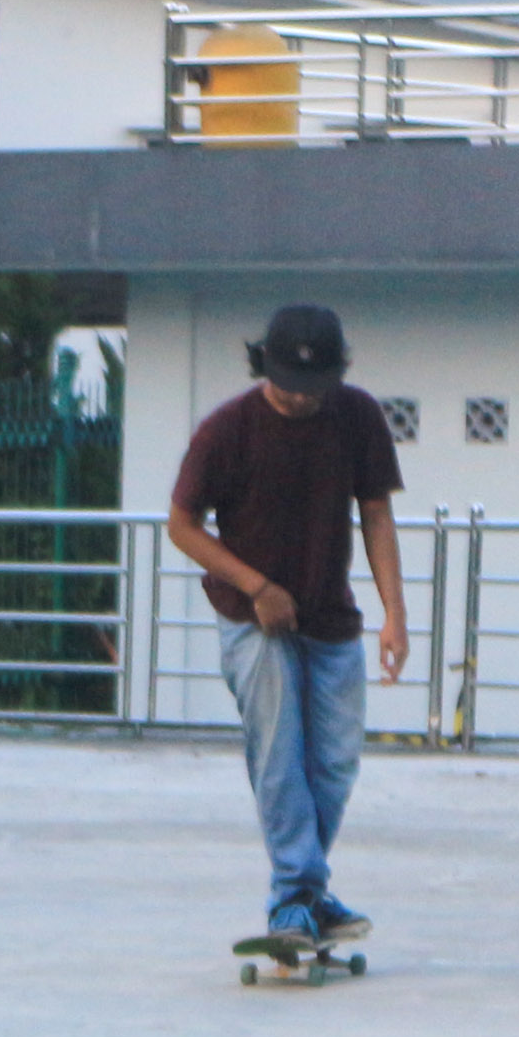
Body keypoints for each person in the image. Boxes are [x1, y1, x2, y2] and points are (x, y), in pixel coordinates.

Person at [164, 302, 408, 947]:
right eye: (289, 386)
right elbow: (182, 526)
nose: (301, 399)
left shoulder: (357, 416)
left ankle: (307, 892)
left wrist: (395, 616)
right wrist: (257, 587)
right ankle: (294, 899)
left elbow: (376, 515)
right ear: (264, 367)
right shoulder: (226, 431)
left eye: (314, 387)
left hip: (329, 615)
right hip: (252, 619)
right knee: (279, 756)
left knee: (334, 762)